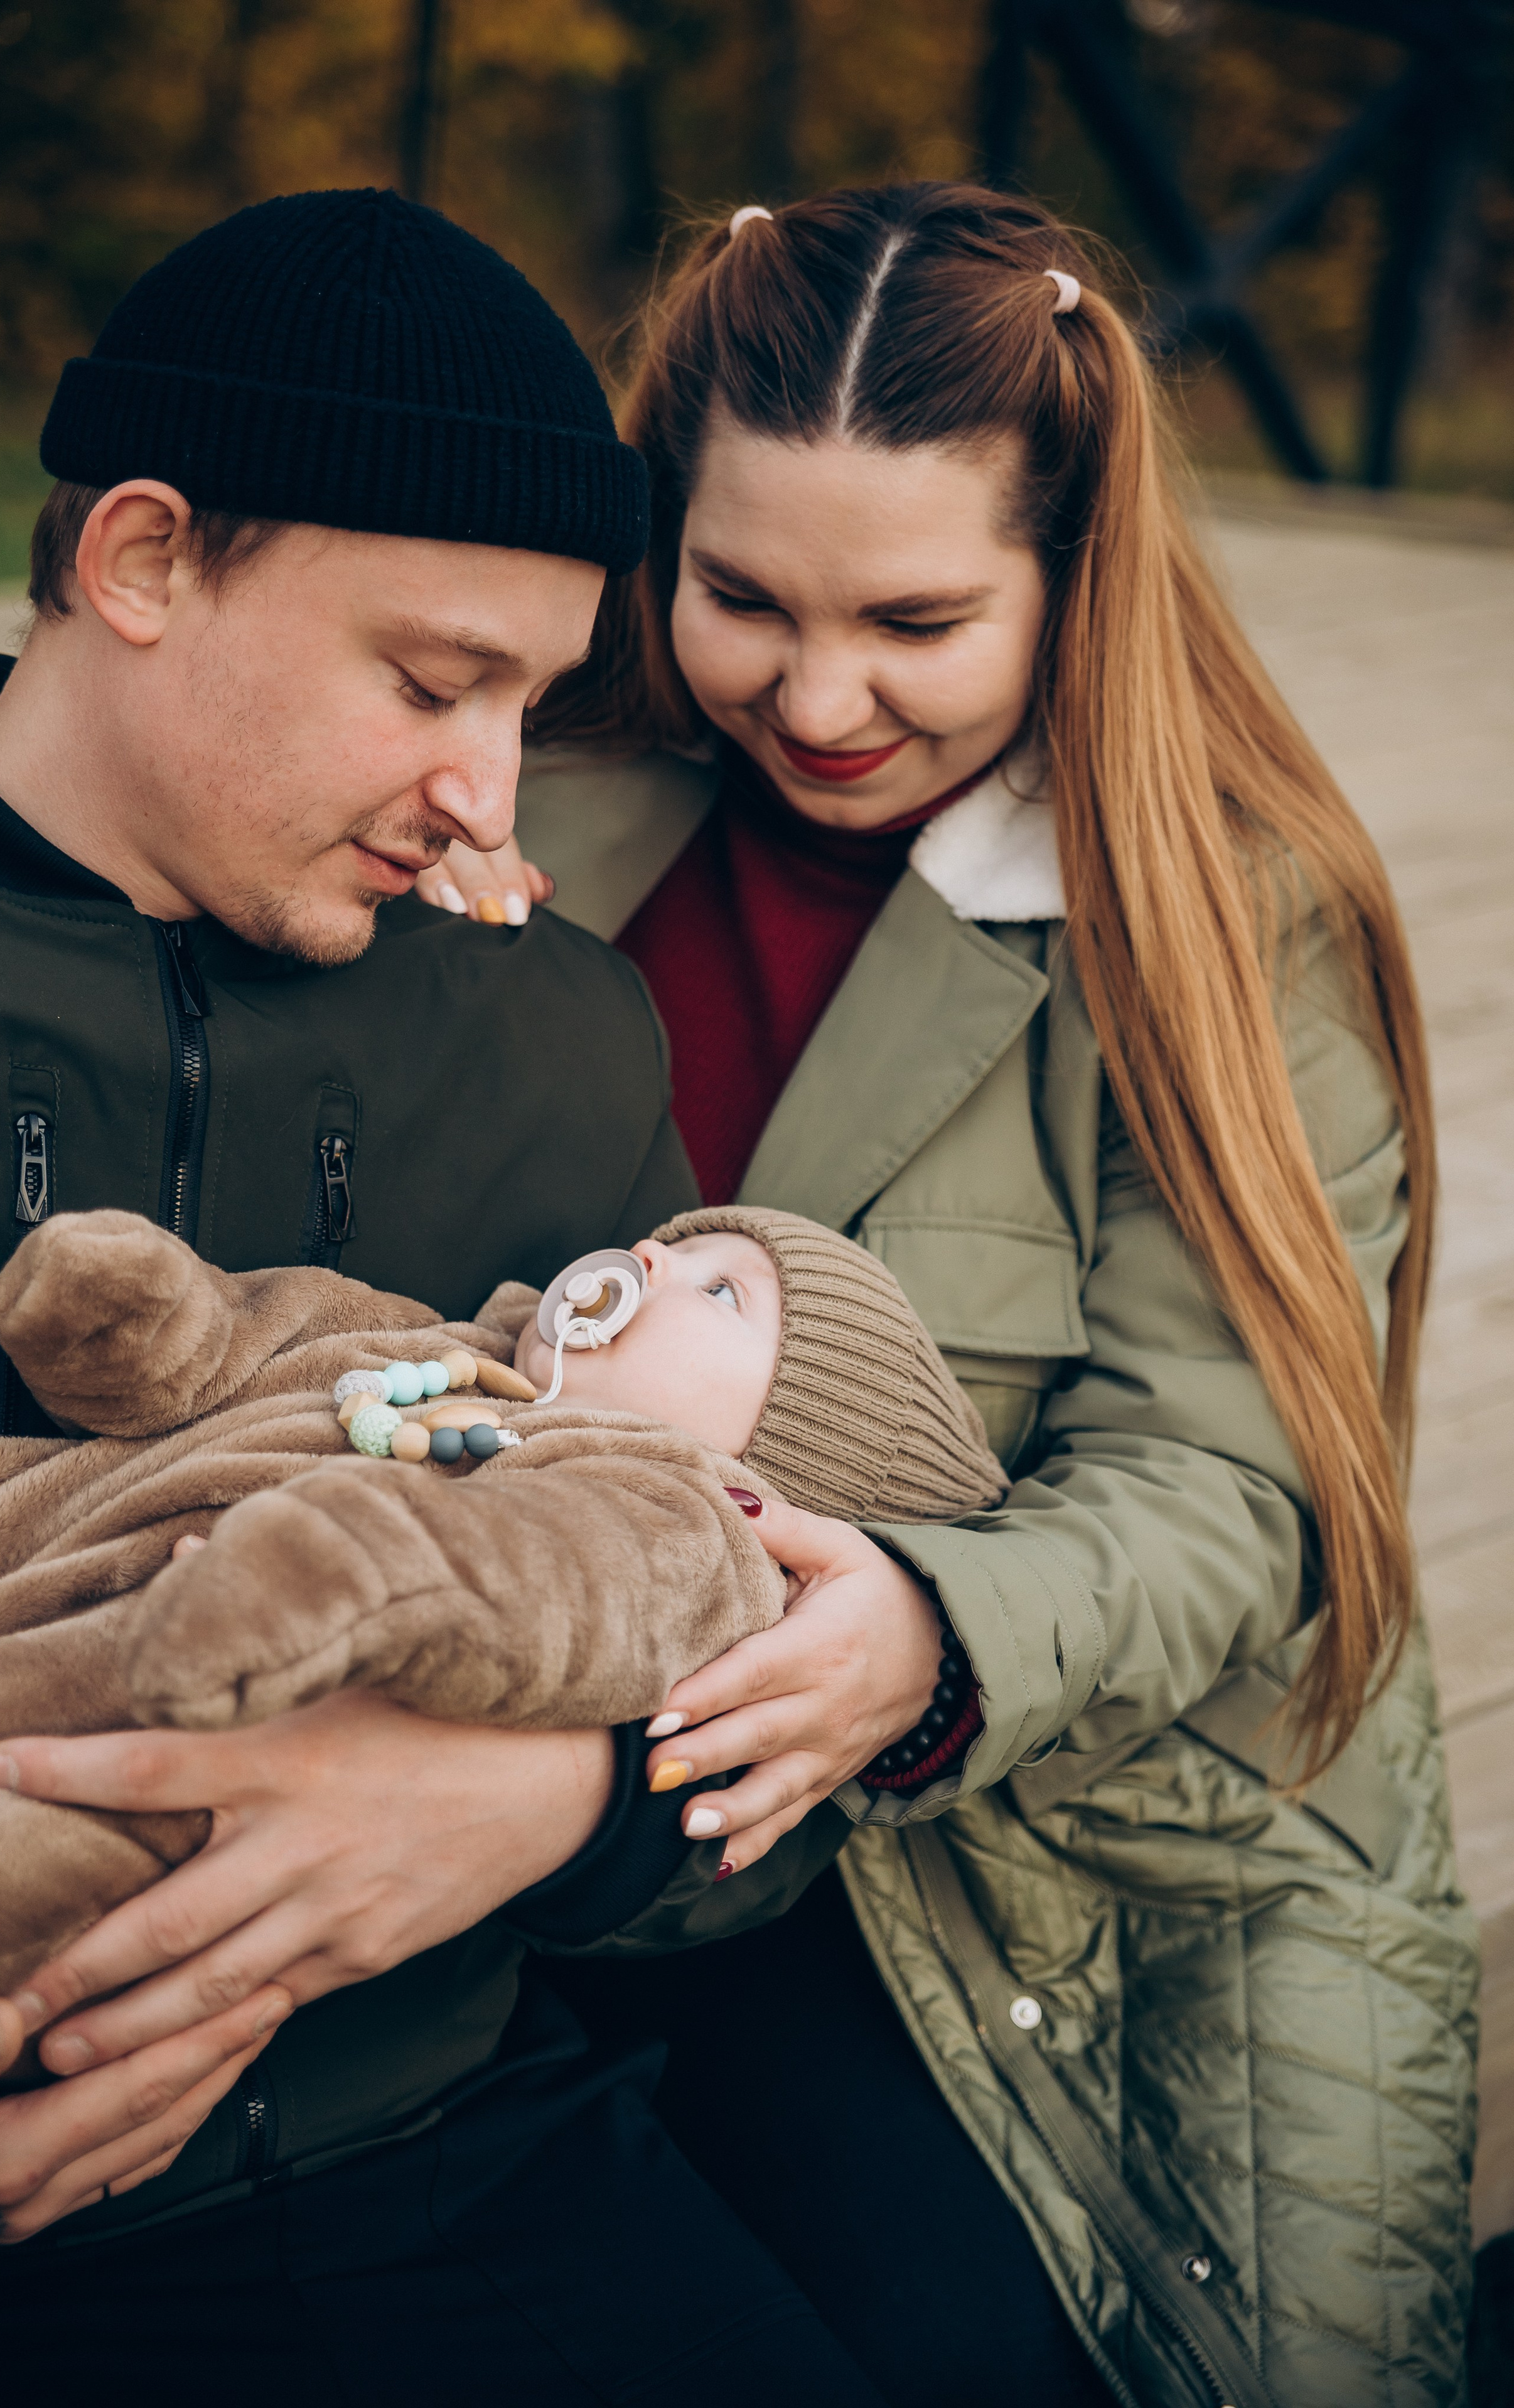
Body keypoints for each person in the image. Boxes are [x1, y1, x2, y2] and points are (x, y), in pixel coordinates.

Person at [0, 189, 952, 2407]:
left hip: (441, 2160)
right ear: (146, 561)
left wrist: (553, 1805)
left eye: (536, 696)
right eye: (430, 679)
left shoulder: (550, 1034)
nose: (490, 792)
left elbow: (723, 1635)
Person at [451, 183, 1479, 2407]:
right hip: (553, 1778)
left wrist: (927, 1635)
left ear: (1074, 577)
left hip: (1025, 1835)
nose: (815, 697)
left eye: (915, 619)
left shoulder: (1221, 911)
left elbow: (1238, 1484)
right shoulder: (528, 801)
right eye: (741, 596)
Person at [0, 1199, 1002, 2056]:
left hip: (178, 1720)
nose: (653, 1263)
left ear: (766, 1462)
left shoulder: (671, 1526)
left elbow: (528, 1588)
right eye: (674, 1246)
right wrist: (151, 1323)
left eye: (724, 1294)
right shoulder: (441, 1347)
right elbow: (261, 1337)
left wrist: (341, 1571)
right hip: (9, 1539)